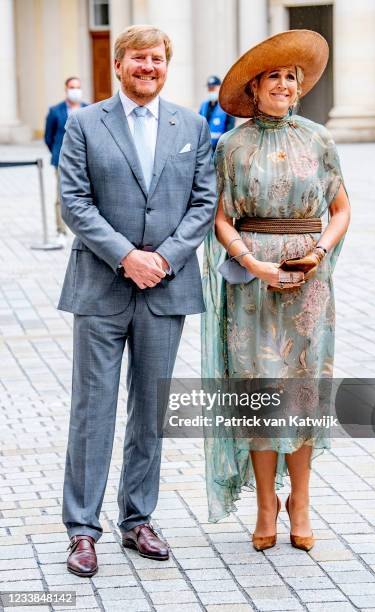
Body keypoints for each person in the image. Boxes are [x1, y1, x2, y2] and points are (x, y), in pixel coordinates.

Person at [58, 25, 216, 577]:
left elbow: (203, 203)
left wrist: (165, 258)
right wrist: (127, 256)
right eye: (138, 58)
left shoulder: (192, 126)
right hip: (101, 286)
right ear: (119, 64)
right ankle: (81, 529)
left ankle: (137, 519)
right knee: (92, 410)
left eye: (157, 59)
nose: (148, 66)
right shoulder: (84, 123)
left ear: (165, 66)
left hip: (166, 289)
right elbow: (73, 202)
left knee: (150, 411)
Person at [202, 30, 350, 552]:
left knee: (303, 391)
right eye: (275, 77)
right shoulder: (231, 146)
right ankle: (266, 502)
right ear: (254, 87)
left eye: (292, 77)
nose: (285, 84)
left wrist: (321, 253)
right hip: (252, 285)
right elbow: (221, 219)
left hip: (310, 284)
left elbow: (341, 209)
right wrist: (251, 262)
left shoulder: (319, 139)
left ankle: (301, 502)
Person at [44, 77, 88, 245]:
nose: (75, 90)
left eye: (77, 87)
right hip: (62, 161)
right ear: (66, 89)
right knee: (61, 196)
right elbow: (48, 136)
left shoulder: (89, 108)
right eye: (72, 87)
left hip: (86, 161)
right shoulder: (55, 111)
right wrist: (57, 153)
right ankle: (61, 231)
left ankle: (85, 231)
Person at [199, 75, 235, 151]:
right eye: (209, 88)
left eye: (213, 88)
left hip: (220, 148)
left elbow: (229, 130)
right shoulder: (204, 106)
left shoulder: (227, 107)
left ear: (220, 88)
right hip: (205, 149)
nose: (211, 91)